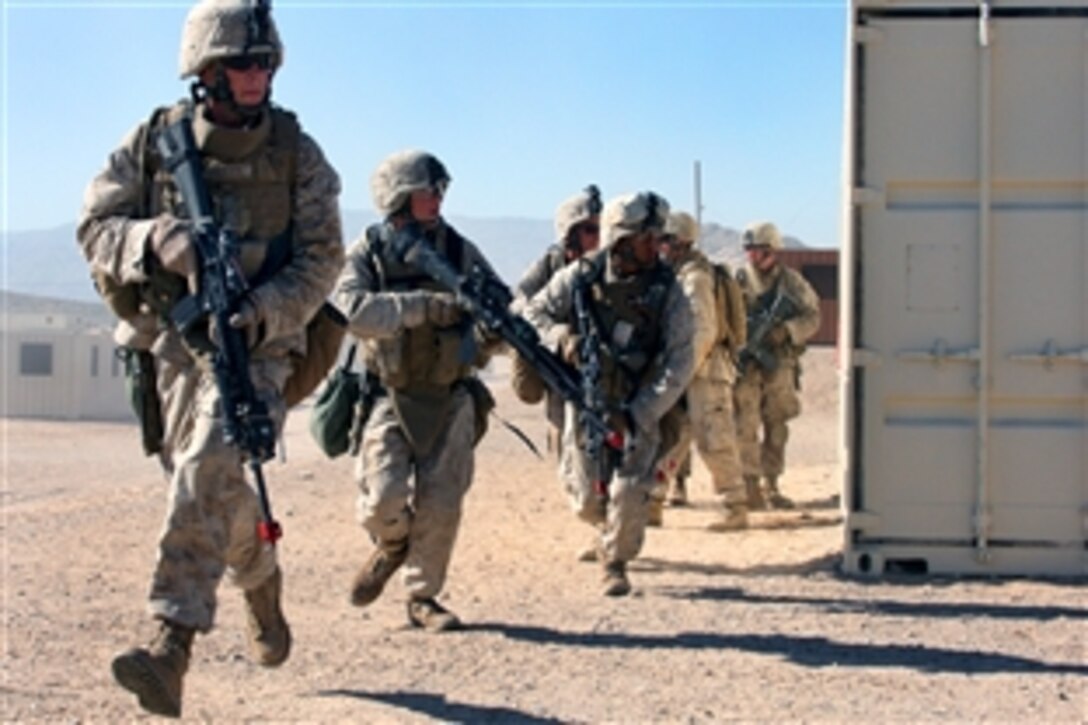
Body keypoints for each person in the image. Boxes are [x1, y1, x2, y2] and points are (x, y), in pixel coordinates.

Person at [76, 0, 343, 717]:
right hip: (171, 342)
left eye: (264, 63)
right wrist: (155, 239)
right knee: (209, 489)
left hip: (259, 345)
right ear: (206, 69)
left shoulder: (297, 154)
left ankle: (171, 644)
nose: (257, 76)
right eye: (241, 64)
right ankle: (261, 578)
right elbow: (94, 225)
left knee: (209, 461)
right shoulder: (153, 141)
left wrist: (260, 310)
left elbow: (323, 260)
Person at [333, 149, 500, 632]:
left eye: (440, 190)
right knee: (381, 499)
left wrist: (492, 327)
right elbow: (351, 311)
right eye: (428, 190)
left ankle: (422, 597)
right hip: (391, 392)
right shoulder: (370, 251)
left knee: (442, 502)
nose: (437, 199)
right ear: (399, 197)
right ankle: (391, 545)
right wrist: (423, 307)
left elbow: (495, 302)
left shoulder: (457, 250)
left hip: (450, 394)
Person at [524, 192, 695, 596]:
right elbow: (534, 313)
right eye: (646, 238)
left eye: (659, 237)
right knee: (585, 497)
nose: (656, 246)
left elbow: (680, 360)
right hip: (586, 397)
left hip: (640, 400)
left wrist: (641, 411)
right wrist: (561, 338)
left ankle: (616, 561)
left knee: (630, 488)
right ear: (620, 238)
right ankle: (602, 529)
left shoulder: (668, 290)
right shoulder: (580, 276)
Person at [654, 211, 748, 531]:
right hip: (686, 371)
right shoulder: (677, 274)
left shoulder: (695, 278)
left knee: (714, 438)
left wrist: (680, 371)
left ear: (680, 242)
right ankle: (652, 501)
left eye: (665, 240)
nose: (660, 246)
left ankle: (734, 505)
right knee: (671, 439)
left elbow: (703, 331)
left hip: (706, 371)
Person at [733, 221, 821, 509]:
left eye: (758, 251)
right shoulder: (738, 280)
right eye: (749, 251)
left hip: (779, 364)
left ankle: (771, 484)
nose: (752, 257)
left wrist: (787, 330)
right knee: (744, 425)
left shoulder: (792, 283)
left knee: (777, 424)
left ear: (772, 251)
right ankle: (749, 485)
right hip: (746, 364)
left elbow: (813, 317)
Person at [510, 185, 603, 448]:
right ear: (569, 234)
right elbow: (520, 305)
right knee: (567, 448)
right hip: (561, 372)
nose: (597, 238)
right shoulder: (550, 266)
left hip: (602, 371)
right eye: (589, 230)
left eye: (600, 228)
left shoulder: (605, 267)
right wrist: (558, 335)